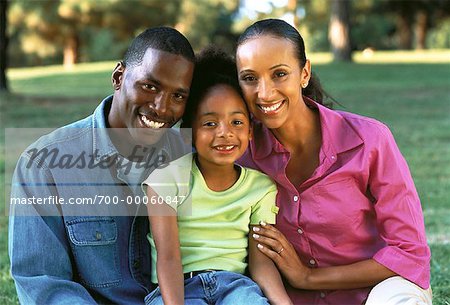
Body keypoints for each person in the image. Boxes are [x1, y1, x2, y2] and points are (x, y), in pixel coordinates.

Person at [235, 19, 432, 305]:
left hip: (380, 292)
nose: (264, 93)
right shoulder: (241, 153)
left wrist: (308, 277)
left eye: (279, 74)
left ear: (304, 74)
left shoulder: (370, 140)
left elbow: (409, 254)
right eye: (250, 78)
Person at [8, 26, 195, 304]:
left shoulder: (191, 159)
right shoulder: (43, 165)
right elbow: (45, 285)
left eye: (178, 96)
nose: (162, 107)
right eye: (150, 86)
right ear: (119, 76)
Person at [142, 47, 292, 305]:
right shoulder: (165, 179)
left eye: (236, 122)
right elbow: (167, 257)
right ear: (187, 132)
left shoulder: (262, 188)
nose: (225, 133)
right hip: (179, 289)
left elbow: (261, 265)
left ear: (250, 132)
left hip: (236, 287)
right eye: (210, 123)